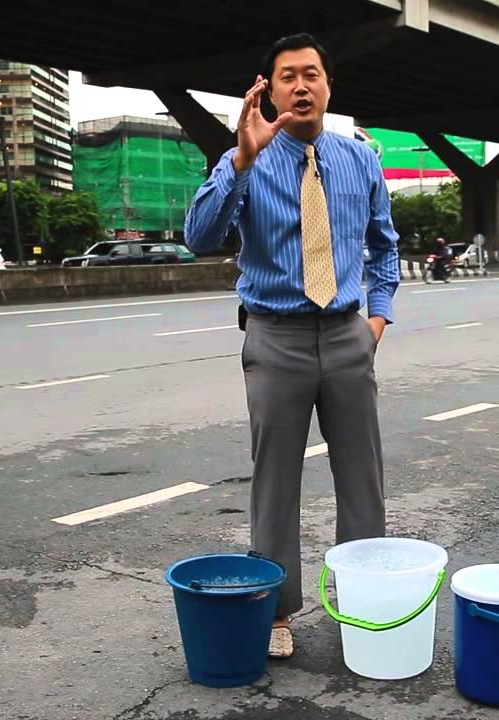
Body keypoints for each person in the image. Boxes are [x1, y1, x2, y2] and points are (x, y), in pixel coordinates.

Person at [184, 33, 399, 659]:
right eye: (287, 77)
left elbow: (384, 246)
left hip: (347, 332)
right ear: (268, 90)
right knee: (275, 481)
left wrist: (377, 320)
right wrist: (241, 163)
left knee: (363, 478)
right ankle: (276, 613)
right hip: (276, 337)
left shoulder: (361, 158)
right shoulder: (244, 158)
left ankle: (365, 601)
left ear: (328, 87)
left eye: (311, 74)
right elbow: (200, 238)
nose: (300, 86)